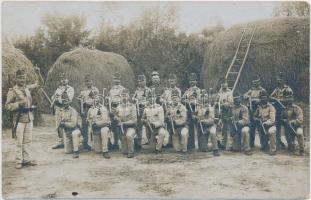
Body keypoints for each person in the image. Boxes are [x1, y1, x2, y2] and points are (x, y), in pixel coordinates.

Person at [5, 69, 40, 169]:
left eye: (23, 78)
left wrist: (38, 73)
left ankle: (26, 159)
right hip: (18, 119)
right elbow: (7, 106)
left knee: (27, 140)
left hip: (29, 117)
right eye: (20, 78)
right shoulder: (12, 91)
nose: (22, 80)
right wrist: (18, 104)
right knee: (19, 141)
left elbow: (38, 84)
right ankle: (19, 161)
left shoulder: (27, 88)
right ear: (16, 78)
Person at [51, 72, 74, 149]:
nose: (63, 80)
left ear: (68, 80)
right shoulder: (58, 89)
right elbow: (53, 97)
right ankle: (61, 142)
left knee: (66, 124)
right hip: (58, 109)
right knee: (58, 125)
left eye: (65, 79)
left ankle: (67, 142)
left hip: (65, 109)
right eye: (62, 79)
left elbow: (69, 99)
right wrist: (55, 98)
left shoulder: (70, 89)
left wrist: (59, 99)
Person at [194, 90, 220, 156]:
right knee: (203, 149)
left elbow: (211, 121)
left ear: (207, 98)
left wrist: (203, 121)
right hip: (203, 129)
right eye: (201, 97)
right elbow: (197, 119)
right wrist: (195, 117)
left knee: (213, 132)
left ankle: (215, 149)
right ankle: (212, 145)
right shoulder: (198, 108)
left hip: (210, 126)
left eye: (205, 97)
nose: (203, 98)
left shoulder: (210, 108)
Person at [243, 75, 266, 149]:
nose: (255, 84)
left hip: (260, 110)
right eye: (254, 82)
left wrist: (258, 100)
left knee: (260, 128)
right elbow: (244, 95)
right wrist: (246, 96)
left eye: (257, 82)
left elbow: (265, 99)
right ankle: (251, 143)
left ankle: (263, 144)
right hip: (251, 110)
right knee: (251, 128)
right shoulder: (251, 90)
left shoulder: (262, 90)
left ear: (259, 82)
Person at [270, 72, 292, 150]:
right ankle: (279, 143)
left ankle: (290, 144)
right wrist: (274, 99)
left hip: (286, 110)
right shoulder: (276, 89)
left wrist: (279, 100)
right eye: (278, 80)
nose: (279, 82)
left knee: (287, 128)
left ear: (284, 80)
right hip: (278, 111)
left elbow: (290, 99)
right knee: (277, 128)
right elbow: (270, 97)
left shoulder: (288, 89)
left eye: (281, 80)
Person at [77, 74, 99, 151]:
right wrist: (81, 109)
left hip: (92, 109)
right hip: (85, 109)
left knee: (94, 125)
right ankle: (85, 143)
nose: (88, 83)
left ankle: (95, 143)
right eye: (86, 81)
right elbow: (79, 100)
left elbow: (97, 100)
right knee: (84, 126)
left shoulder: (95, 90)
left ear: (92, 81)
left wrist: (92, 96)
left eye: (90, 81)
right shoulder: (83, 91)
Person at [114, 89, 137, 158]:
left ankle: (131, 152)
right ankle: (129, 146)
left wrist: (124, 123)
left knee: (129, 135)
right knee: (124, 151)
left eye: (126, 95)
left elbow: (134, 120)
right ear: (121, 96)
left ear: (128, 96)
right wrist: (116, 118)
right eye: (123, 95)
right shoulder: (118, 107)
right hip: (122, 129)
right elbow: (115, 116)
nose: (124, 97)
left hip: (131, 127)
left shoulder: (132, 106)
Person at [87, 94, 111, 158]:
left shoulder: (103, 109)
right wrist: (91, 124)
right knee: (98, 151)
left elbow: (105, 121)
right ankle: (98, 145)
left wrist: (96, 124)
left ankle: (105, 150)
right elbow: (88, 119)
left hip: (104, 126)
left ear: (100, 101)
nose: (96, 101)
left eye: (97, 100)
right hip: (95, 128)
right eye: (94, 100)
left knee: (104, 131)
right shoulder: (90, 109)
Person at [281, 88, 305, 155]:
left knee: (299, 133)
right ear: (284, 99)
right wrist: (284, 120)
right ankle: (291, 144)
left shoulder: (297, 108)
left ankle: (301, 149)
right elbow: (281, 118)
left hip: (297, 127)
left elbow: (300, 120)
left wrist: (292, 121)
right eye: (286, 98)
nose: (288, 99)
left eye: (290, 97)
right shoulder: (283, 109)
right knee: (291, 148)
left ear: (293, 98)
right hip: (288, 129)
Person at [58, 92, 81, 158]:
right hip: (67, 131)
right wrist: (61, 124)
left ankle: (76, 151)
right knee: (67, 151)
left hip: (75, 130)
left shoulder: (73, 111)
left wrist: (64, 123)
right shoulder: (61, 111)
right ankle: (75, 145)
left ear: (69, 102)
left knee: (74, 134)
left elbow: (73, 124)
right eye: (63, 102)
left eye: (66, 102)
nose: (65, 103)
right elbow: (60, 122)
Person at [254, 90, 277, 156]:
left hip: (271, 125)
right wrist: (256, 118)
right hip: (262, 126)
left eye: (265, 97)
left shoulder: (271, 107)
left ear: (267, 98)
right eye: (262, 97)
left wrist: (265, 123)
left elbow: (272, 120)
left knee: (271, 132)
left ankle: (273, 149)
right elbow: (255, 115)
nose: (263, 99)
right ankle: (265, 145)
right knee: (264, 146)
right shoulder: (259, 107)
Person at [182, 73, 201, 149]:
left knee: (198, 126)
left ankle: (199, 143)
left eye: (193, 80)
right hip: (189, 110)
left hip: (197, 109)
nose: (192, 82)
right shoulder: (187, 91)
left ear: (196, 81)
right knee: (190, 127)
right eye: (190, 80)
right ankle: (191, 144)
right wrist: (186, 101)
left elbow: (201, 100)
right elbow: (182, 99)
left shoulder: (199, 90)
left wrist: (194, 102)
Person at [107, 72, 126, 150]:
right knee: (114, 126)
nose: (116, 80)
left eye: (118, 79)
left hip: (120, 108)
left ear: (120, 79)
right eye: (115, 79)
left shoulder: (123, 89)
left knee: (120, 125)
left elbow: (124, 99)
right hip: (113, 108)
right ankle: (115, 143)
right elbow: (109, 98)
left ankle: (122, 143)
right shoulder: (111, 89)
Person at [132, 74, 151, 150]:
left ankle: (150, 142)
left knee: (148, 127)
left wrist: (145, 102)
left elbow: (151, 99)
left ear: (145, 81)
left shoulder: (148, 90)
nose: (140, 83)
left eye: (142, 81)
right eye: (139, 81)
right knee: (138, 127)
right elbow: (133, 98)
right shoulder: (137, 91)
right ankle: (138, 144)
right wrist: (134, 99)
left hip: (146, 111)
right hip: (138, 111)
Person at [215, 77, 233, 150]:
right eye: (222, 83)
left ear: (227, 83)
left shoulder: (229, 92)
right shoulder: (220, 92)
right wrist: (216, 103)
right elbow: (216, 100)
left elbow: (230, 103)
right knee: (221, 128)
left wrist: (223, 104)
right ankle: (222, 144)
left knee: (228, 128)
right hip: (221, 112)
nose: (223, 85)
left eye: (224, 83)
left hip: (228, 111)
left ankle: (229, 144)